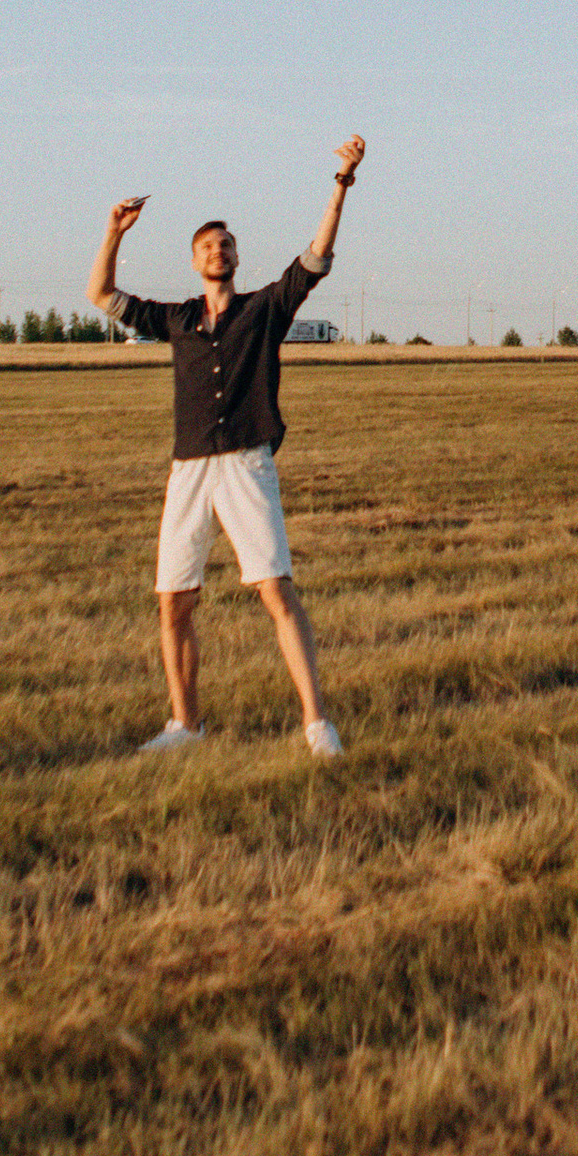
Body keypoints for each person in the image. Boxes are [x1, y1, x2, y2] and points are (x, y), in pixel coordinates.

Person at [87, 136, 366, 757]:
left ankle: (318, 724)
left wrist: (341, 181)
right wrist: (114, 232)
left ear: (237, 258)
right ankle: (184, 726)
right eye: (208, 246)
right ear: (194, 262)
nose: (219, 251)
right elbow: (100, 295)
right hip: (187, 470)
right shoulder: (175, 320)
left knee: (275, 590)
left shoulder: (264, 309)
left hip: (245, 464)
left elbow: (317, 257)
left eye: (227, 244)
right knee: (173, 601)